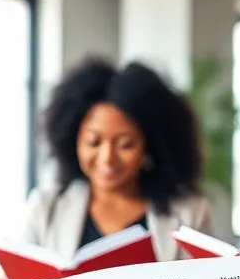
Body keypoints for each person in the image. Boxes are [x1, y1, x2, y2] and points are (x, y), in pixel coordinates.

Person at [14, 56, 211, 268]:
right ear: (73, 140)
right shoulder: (45, 208)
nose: (107, 158)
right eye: (94, 142)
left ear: (151, 146)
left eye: (125, 144)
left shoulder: (191, 212)